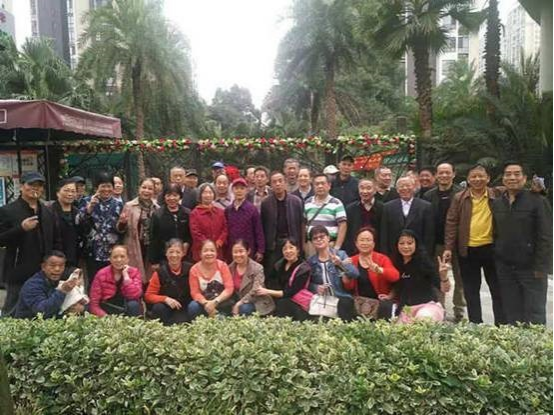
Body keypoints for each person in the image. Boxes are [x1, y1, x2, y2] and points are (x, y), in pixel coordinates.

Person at [444, 163, 505, 325]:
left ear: (488, 178)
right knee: (471, 290)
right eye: (474, 176)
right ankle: (475, 324)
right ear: (468, 179)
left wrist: (539, 188)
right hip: (467, 250)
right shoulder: (460, 198)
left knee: (497, 288)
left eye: (481, 176)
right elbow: (451, 222)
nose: (477, 179)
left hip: (492, 248)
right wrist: (448, 247)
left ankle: (501, 325)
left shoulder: (497, 194)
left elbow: (518, 190)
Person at [492, 162, 552, 325]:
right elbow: (495, 233)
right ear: (503, 179)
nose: (512, 177)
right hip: (506, 269)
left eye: (517, 174)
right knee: (512, 312)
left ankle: (536, 342)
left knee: (534, 313)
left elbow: (546, 236)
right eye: (508, 174)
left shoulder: (537, 201)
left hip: (531, 269)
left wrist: (541, 267)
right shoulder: (498, 203)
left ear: (525, 178)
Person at [0, 172, 62, 315]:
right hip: (18, 269)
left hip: (43, 270)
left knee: (41, 310)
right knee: (13, 310)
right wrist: (21, 228)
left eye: (39, 185)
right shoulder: (7, 210)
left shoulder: (47, 211)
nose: (35, 188)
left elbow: (56, 239)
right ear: (21, 186)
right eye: (31, 184)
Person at [423, 162, 465, 322]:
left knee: (460, 277)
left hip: (458, 244)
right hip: (437, 244)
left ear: (454, 174)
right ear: (436, 175)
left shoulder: (461, 194)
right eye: (441, 172)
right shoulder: (428, 195)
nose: (444, 175)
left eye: (447, 172)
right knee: (437, 277)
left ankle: (459, 310)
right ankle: (439, 308)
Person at [389, 230, 450, 323]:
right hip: (405, 310)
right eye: (402, 243)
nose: (406, 246)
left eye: (410, 243)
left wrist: (444, 277)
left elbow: (445, 289)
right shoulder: (395, 263)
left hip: (427, 307)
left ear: (416, 244)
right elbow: (397, 286)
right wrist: (389, 296)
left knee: (423, 319)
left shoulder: (424, 263)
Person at [307, 226, 358, 321]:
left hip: (341, 298)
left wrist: (340, 264)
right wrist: (316, 287)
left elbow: (355, 274)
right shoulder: (311, 261)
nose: (319, 240)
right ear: (312, 242)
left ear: (328, 238)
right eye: (315, 238)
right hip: (322, 300)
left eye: (322, 236)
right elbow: (306, 283)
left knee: (345, 304)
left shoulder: (341, 254)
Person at [81, 171, 123, 284]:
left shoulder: (119, 205)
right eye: (103, 186)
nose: (106, 189)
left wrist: (123, 223)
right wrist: (89, 208)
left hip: (113, 252)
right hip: (93, 250)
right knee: (94, 282)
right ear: (96, 187)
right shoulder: (86, 201)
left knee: (112, 283)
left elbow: (122, 230)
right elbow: (78, 222)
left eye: (109, 186)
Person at [256, 238, 313, 321]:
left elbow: (290, 292)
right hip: (280, 300)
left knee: (283, 304)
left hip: (298, 304)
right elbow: (271, 281)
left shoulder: (304, 269)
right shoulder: (279, 265)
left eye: (291, 247)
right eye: (285, 249)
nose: (288, 251)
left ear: (297, 250)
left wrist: (267, 291)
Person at [117, 178, 159, 284]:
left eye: (150, 188)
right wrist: (122, 223)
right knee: (134, 276)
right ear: (139, 188)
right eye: (144, 187)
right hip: (134, 245)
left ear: (154, 191)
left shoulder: (157, 208)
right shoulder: (129, 206)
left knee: (150, 275)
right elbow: (120, 230)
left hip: (151, 247)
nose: (146, 191)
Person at [261, 172, 305, 273]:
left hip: (292, 242)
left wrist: (301, 245)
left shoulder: (296, 201)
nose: (278, 184)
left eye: (280, 181)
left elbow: (302, 224)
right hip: (274, 244)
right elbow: (263, 226)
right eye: (274, 182)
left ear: (285, 182)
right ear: (270, 185)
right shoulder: (266, 203)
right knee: (273, 272)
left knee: (292, 271)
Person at [380, 176, 435, 257]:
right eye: (401, 186)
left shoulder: (426, 207)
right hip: (394, 253)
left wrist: (426, 254)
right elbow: (384, 233)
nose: (405, 188)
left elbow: (429, 235)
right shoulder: (387, 207)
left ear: (414, 187)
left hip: (419, 253)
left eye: (408, 185)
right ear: (397, 189)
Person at [14, 251, 79, 319]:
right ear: (43, 267)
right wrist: (62, 291)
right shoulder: (32, 285)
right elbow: (41, 312)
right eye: (52, 265)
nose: (57, 269)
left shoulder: (63, 280)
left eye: (61, 266)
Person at [343, 227, 399, 304]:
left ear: (373, 243)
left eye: (368, 240)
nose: (365, 243)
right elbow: (349, 288)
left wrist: (379, 270)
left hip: (380, 302)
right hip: (360, 303)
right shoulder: (351, 260)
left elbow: (395, 277)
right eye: (362, 240)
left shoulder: (382, 259)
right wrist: (345, 276)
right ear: (356, 243)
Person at [145, 239, 193, 325]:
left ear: (183, 253)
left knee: (180, 324)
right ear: (166, 253)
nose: (174, 255)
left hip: (183, 307)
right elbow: (148, 296)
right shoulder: (160, 272)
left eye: (178, 252)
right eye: (171, 252)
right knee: (158, 308)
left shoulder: (191, 269)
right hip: (166, 306)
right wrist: (165, 299)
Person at [89, 245, 143, 317]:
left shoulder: (134, 272)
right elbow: (94, 303)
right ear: (110, 259)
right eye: (115, 257)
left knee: (133, 304)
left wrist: (126, 277)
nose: (119, 260)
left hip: (126, 308)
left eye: (122, 256)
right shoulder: (101, 274)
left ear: (128, 259)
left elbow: (134, 296)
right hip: (107, 310)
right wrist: (106, 317)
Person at [188, 240, 235, 319]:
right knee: (193, 306)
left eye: (212, 250)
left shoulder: (222, 266)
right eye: (205, 250)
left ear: (216, 253)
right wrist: (206, 303)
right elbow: (195, 293)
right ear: (200, 254)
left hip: (222, 302)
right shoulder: (194, 270)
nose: (209, 253)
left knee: (221, 319)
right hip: (204, 304)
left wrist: (215, 302)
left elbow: (229, 288)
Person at [148, 184, 192, 268]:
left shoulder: (187, 213)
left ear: (180, 196)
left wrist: (187, 243)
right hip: (163, 257)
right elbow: (153, 238)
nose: (172, 198)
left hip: (184, 256)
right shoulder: (158, 215)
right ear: (164, 196)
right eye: (168, 195)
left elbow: (190, 234)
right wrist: (154, 261)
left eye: (175, 195)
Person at [228, 240, 275, 316]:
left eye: (241, 251)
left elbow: (255, 290)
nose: (238, 255)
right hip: (238, 300)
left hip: (257, 301)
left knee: (244, 308)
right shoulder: (230, 268)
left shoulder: (257, 268)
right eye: (235, 252)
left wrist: (239, 303)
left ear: (248, 251)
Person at [225, 178, 265, 263]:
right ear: (232, 190)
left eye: (242, 188)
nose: (239, 191)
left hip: (248, 249)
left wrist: (260, 250)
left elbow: (258, 231)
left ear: (246, 190)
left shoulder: (252, 209)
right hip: (232, 250)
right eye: (236, 188)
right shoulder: (228, 210)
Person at [304, 174, 348, 251]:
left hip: (330, 245)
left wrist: (337, 247)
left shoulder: (336, 203)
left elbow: (343, 225)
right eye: (317, 184)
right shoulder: (308, 202)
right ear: (313, 186)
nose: (320, 186)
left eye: (323, 183)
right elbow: (303, 223)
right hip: (312, 245)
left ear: (329, 185)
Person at [49, 178, 85, 269]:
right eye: (66, 190)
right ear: (58, 193)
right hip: (54, 258)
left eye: (73, 191)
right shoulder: (49, 211)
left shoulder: (77, 212)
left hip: (74, 257)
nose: (70, 194)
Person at [344, 179, 383, 256]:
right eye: (362, 188)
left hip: (377, 251)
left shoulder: (383, 208)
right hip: (355, 251)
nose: (365, 191)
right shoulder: (350, 209)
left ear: (375, 190)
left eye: (368, 188)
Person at [190, 183, 227, 262]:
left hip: (218, 248)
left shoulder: (220, 212)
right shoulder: (194, 213)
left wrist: (220, 240)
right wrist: (208, 245)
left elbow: (225, 228)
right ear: (200, 195)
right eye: (205, 193)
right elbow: (196, 232)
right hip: (201, 250)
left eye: (210, 192)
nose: (208, 195)